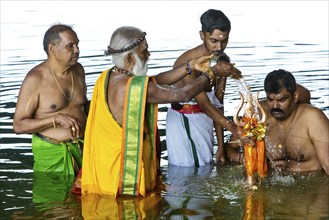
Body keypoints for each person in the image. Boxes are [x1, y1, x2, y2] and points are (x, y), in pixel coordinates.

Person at [81, 26, 242, 197]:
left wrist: (191, 66)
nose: (148, 55)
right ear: (130, 58)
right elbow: (183, 94)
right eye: (145, 51)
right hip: (122, 175)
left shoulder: (107, 77)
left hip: (104, 167)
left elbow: (156, 81)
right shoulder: (130, 87)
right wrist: (212, 73)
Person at [166, 9, 238, 167]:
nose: (219, 47)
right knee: (187, 173)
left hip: (206, 121)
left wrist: (220, 146)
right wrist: (234, 129)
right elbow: (205, 105)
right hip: (185, 122)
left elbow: (218, 103)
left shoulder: (221, 60)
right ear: (202, 35)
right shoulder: (188, 63)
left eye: (224, 41)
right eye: (213, 41)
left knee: (206, 167)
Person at [13, 24, 88, 176]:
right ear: (52, 49)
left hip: (83, 149)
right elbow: (19, 126)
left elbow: (83, 106)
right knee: (53, 199)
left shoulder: (78, 70)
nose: (77, 50)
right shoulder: (35, 79)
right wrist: (56, 118)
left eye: (77, 44)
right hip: (52, 154)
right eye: (70, 46)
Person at [226, 69, 329, 175]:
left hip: (311, 184)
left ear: (295, 97)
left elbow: (327, 165)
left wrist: (291, 166)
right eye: (270, 100)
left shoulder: (313, 118)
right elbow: (229, 147)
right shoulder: (257, 114)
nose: (275, 106)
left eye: (281, 100)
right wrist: (242, 158)